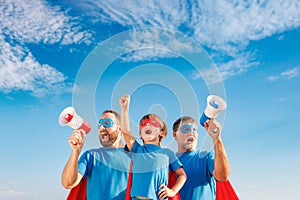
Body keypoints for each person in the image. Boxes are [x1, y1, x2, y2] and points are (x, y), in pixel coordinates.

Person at [119, 94, 187, 200]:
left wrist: (172, 191)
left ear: (162, 133)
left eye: (153, 123)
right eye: (143, 124)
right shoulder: (137, 150)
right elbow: (126, 131)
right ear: (140, 135)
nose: (147, 125)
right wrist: (124, 109)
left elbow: (182, 175)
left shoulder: (167, 153)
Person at [61, 110, 131, 200]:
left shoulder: (134, 155)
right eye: (100, 124)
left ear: (120, 129)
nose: (102, 127)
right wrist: (76, 151)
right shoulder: (90, 156)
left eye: (107, 123)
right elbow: (68, 183)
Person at [172, 116, 230, 200]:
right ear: (175, 134)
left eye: (194, 130)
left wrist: (217, 138)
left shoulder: (206, 157)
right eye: (185, 129)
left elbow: (223, 176)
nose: (191, 133)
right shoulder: (168, 162)